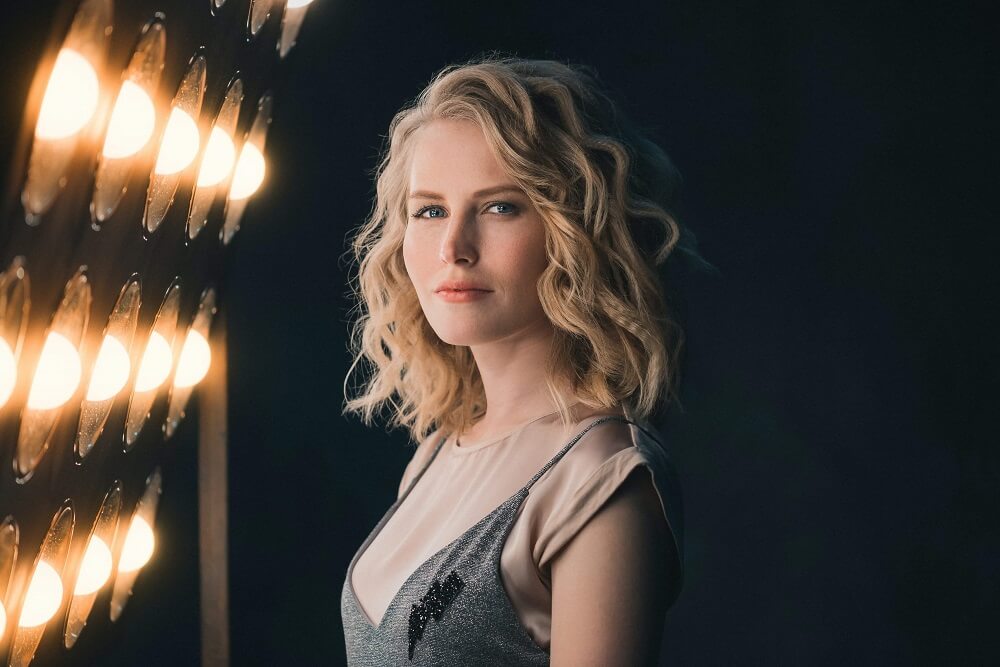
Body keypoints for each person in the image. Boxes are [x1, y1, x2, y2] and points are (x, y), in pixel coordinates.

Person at [340, 56, 701, 666]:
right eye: (430, 210)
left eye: (499, 207)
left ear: (573, 230)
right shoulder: (434, 457)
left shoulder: (601, 479)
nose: (453, 247)